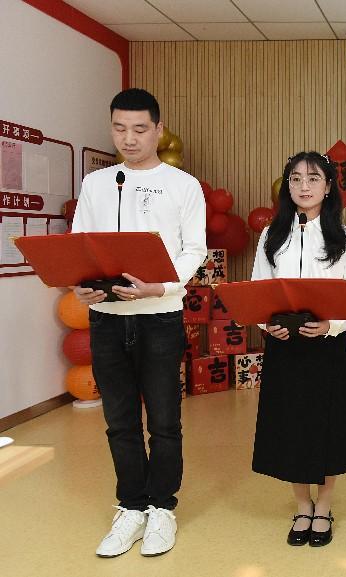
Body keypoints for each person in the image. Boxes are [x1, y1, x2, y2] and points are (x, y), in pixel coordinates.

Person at [71, 88, 207, 557]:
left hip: (158, 317)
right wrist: (79, 285)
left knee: (165, 421)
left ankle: (162, 509)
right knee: (119, 421)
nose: (129, 138)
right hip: (107, 318)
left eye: (140, 129)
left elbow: (194, 250)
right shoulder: (97, 184)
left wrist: (161, 288)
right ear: (111, 128)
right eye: (120, 128)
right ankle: (130, 506)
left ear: (158, 130)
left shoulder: (183, 185)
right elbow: (79, 245)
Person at [250, 151, 346, 548]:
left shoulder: (344, 239)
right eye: (295, 179)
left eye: (313, 179)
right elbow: (258, 288)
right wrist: (268, 325)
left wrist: (331, 325)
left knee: (328, 427)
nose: (303, 186)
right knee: (291, 426)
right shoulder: (271, 235)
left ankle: (325, 505)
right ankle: (301, 505)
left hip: (327, 345)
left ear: (329, 186)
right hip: (285, 347)